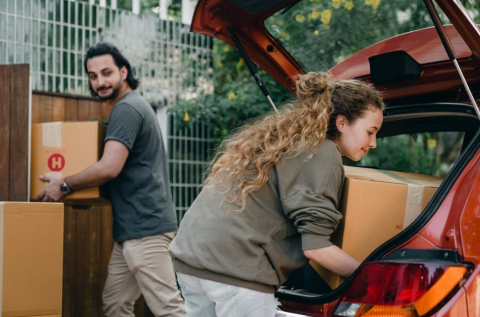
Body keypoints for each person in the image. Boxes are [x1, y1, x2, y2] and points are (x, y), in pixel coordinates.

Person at [169, 72, 384, 317]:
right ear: (342, 123)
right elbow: (317, 248)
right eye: (370, 131)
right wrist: (376, 278)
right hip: (236, 272)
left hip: (192, 261)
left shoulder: (283, 141)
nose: (374, 142)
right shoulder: (322, 152)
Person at [37, 43, 186, 317]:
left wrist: (65, 184)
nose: (100, 82)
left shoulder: (127, 109)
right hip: (131, 230)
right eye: (93, 76)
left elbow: (109, 168)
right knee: (116, 304)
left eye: (107, 73)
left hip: (145, 230)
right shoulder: (132, 106)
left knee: (169, 309)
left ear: (123, 71)